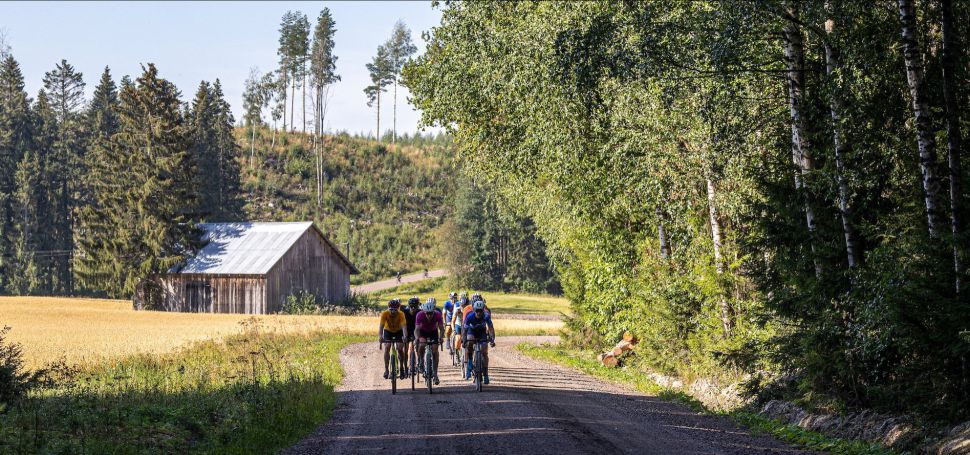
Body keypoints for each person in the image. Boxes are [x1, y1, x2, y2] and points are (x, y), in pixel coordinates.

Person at [462, 299, 496, 383]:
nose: (479, 313)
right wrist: (464, 340)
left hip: (482, 333)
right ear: (474, 310)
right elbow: (464, 330)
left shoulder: (486, 316)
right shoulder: (469, 316)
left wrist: (492, 339)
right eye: (477, 311)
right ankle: (470, 360)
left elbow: (491, 328)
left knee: (484, 352)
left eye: (480, 311)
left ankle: (485, 374)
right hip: (471, 332)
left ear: (483, 310)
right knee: (470, 341)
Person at [415, 297, 445, 385]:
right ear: (424, 312)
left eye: (431, 313)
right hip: (422, 332)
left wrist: (441, 337)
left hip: (433, 332)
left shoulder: (437, 314)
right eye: (427, 313)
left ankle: (435, 374)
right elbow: (417, 329)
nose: (429, 315)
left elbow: (441, 328)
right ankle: (420, 360)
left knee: (435, 349)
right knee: (421, 345)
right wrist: (417, 338)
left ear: (433, 311)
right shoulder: (419, 315)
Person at [378, 299, 408, 379]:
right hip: (388, 331)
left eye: (395, 310)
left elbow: (404, 327)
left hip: (398, 331)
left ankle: (401, 368)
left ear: (398, 309)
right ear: (388, 308)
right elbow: (381, 326)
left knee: (400, 348)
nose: (393, 312)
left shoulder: (401, 314)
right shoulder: (385, 314)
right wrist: (380, 336)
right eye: (391, 310)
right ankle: (386, 369)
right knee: (387, 347)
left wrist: (405, 336)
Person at [402, 296, 421, 375]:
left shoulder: (420, 312)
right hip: (407, 330)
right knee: (406, 349)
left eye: (415, 307)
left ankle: (419, 362)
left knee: (418, 347)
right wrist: (404, 335)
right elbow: (403, 325)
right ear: (408, 306)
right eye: (411, 307)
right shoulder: (404, 312)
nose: (413, 308)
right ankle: (406, 366)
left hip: (417, 330)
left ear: (417, 306)